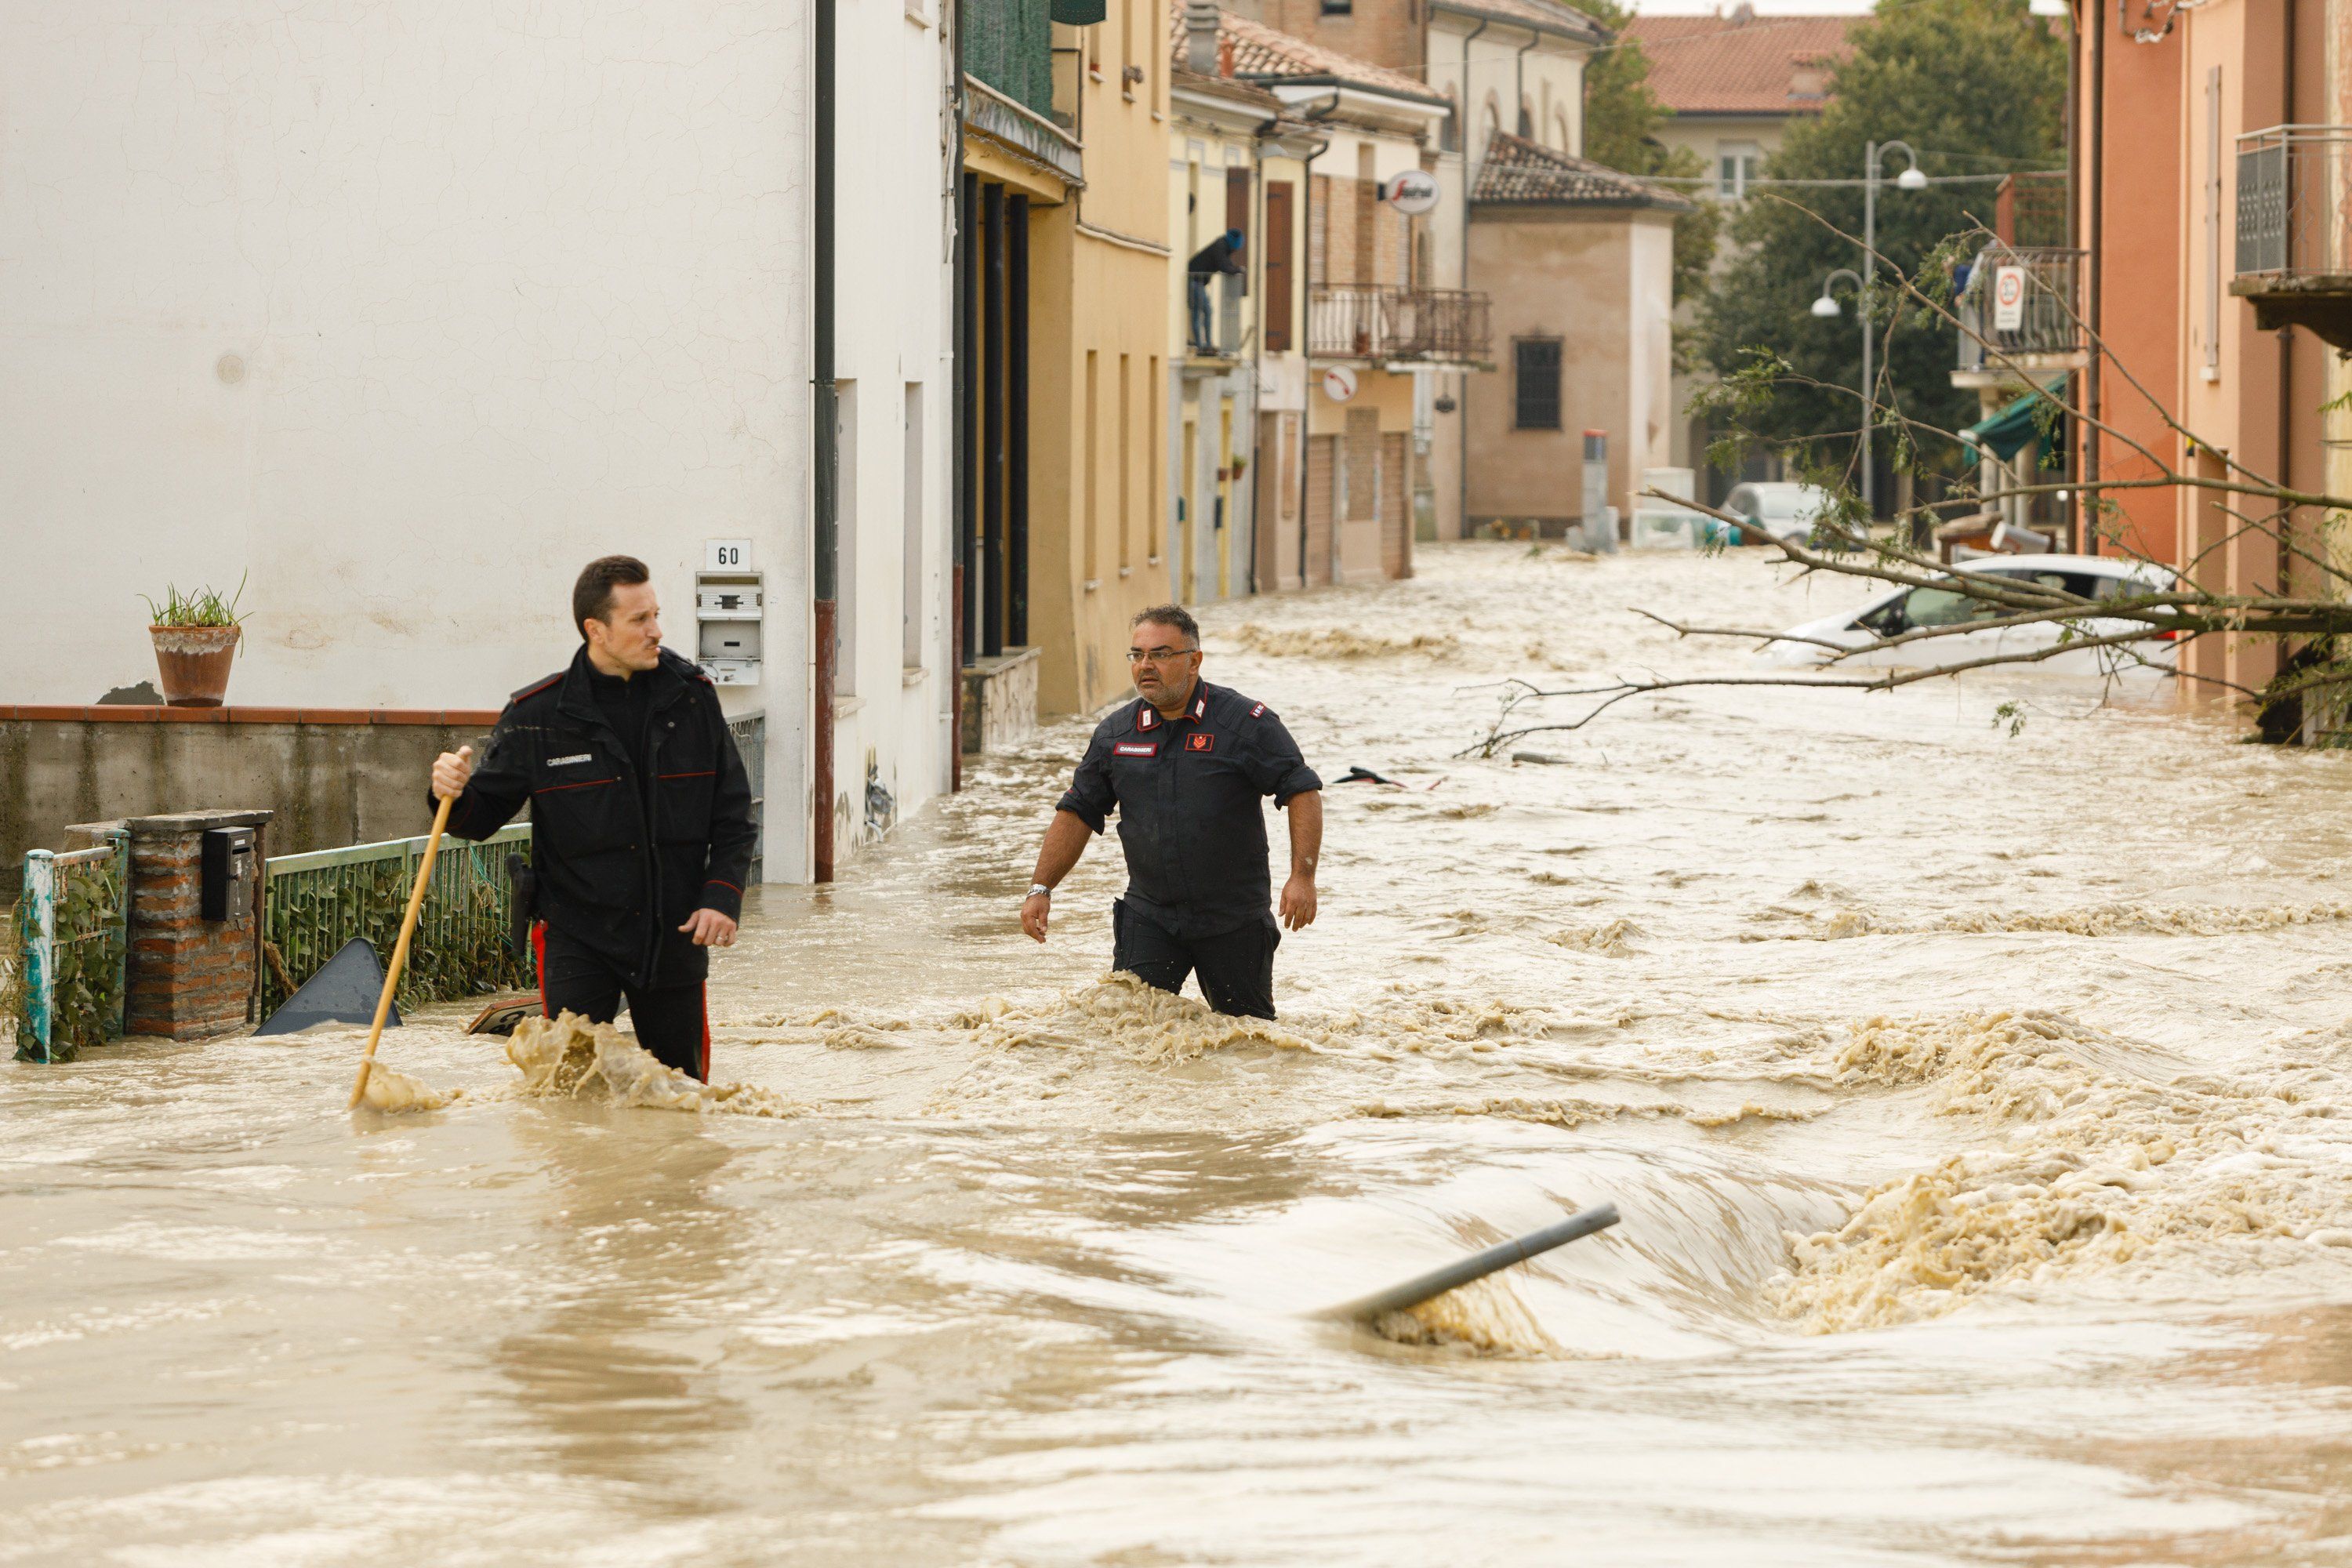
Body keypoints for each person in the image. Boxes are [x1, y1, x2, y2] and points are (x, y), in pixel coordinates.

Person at [429, 556, 757, 1080]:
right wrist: (449, 792)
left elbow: (734, 812)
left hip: (673, 932)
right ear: (595, 630)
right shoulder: (538, 716)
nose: (657, 631)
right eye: (639, 620)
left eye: (656, 615)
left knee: (682, 1099)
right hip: (577, 937)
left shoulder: (691, 698)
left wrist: (721, 896)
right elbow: (478, 817)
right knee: (568, 1094)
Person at [1022, 604, 1322, 1019]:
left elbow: (1302, 790)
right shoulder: (1116, 734)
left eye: (1161, 654)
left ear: (1194, 660)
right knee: (1130, 1030)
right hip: (1150, 916)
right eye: (1137, 655)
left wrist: (1302, 876)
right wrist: (1041, 888)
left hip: (1232, 919)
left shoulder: (1246, 724)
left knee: (1249, 1042)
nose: (1146, 665)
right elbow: (1077, 812)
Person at [1187, 227, 1245, 351]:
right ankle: (1202, 346)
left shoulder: (1222, 245)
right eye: (1235, 249)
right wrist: (1238, 270)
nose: (1235, 252)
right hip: (1195, 281)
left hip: (1199, 282)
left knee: (1201, 312)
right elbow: (1224, 266)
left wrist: (1235, 269)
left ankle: (1205, 345)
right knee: (1203, 312)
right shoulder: (1220, 247)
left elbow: (1227, 264)